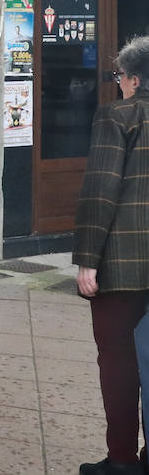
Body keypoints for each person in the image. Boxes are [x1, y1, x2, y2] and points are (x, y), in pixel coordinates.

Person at [73, 35, 149, 475]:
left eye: (120, 76)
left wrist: (87, 259)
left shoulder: (118, 114)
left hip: (123, 263)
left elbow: (101, 189)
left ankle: (122, 460)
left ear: (134, 79)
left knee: (119, 363)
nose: (119, 83)